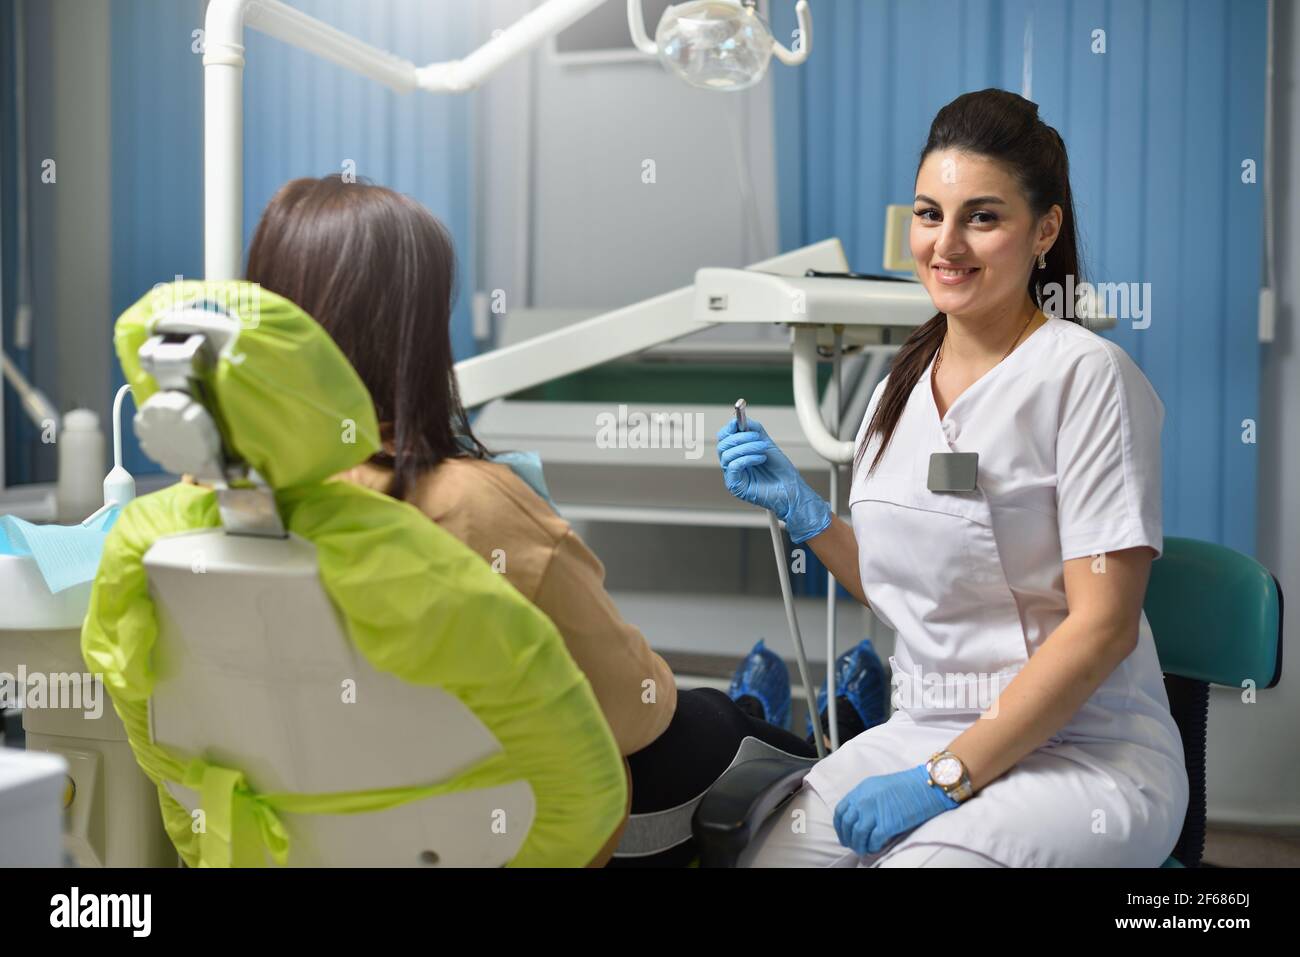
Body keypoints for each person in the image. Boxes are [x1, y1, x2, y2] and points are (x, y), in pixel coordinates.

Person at [240, 174, 878, 866]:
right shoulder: (473, 504)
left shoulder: (219, 504)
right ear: (412, 335)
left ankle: (769, 710)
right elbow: (639, 712)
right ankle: (832, 731)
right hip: (604, 810)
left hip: (348, 814)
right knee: (747, 733)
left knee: (731, 710)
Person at [715, 88, 1188, 867]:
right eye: (929, 213)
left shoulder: (1087, 378)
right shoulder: (898, 384)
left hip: (1082, 753)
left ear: (1045, 229)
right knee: (768, 854)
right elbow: (919, 587)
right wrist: (806, 514)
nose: (947, 243)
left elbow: (1103, 627)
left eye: (983, 216)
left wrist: (949, 777)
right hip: (924, 724)